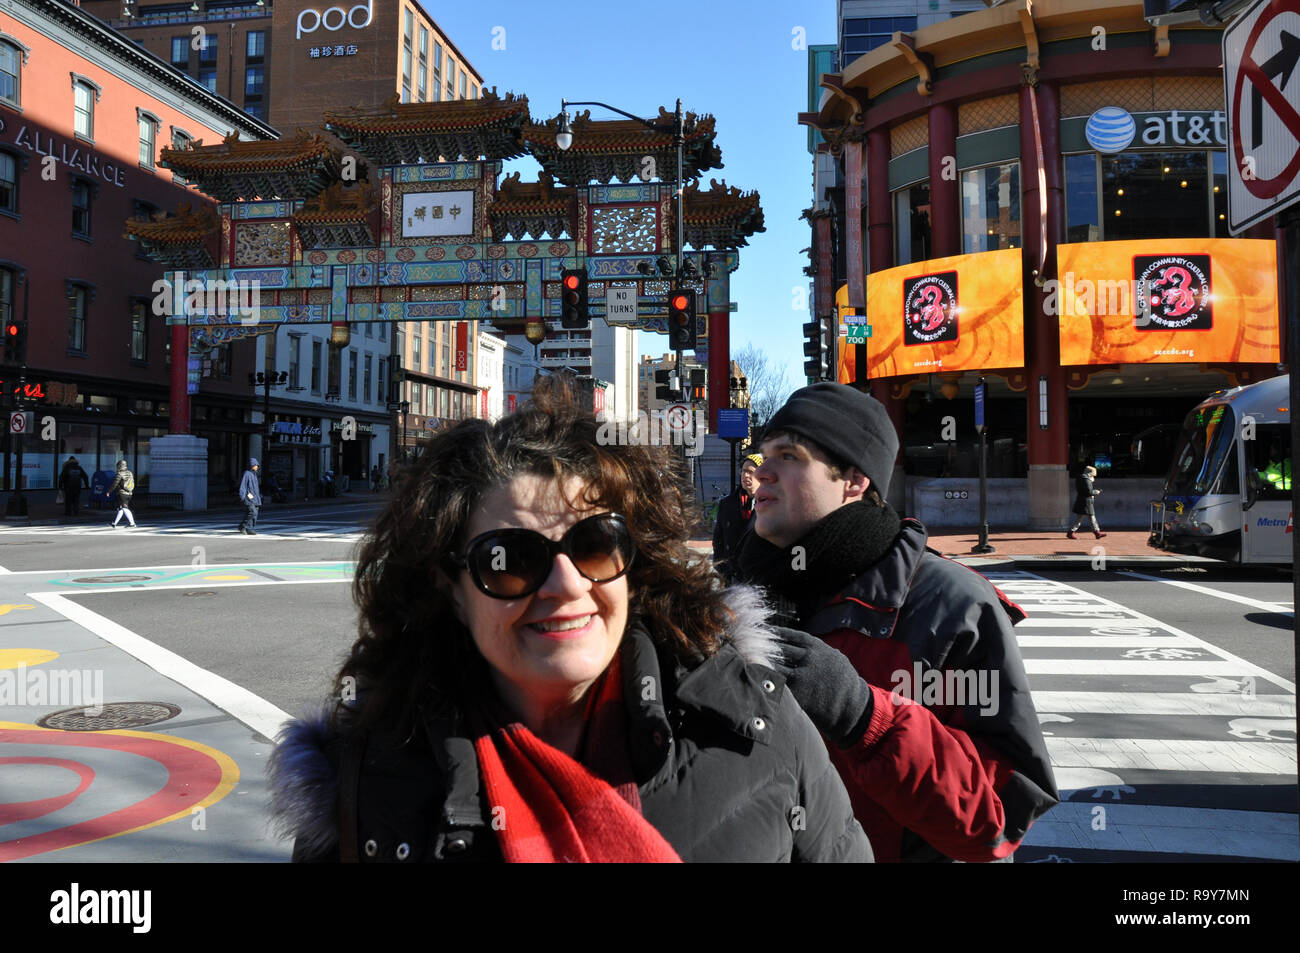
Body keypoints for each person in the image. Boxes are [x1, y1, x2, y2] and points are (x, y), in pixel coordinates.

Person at [268, 377, 872, 863]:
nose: (566, 586)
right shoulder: (366, 779)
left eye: (595, 544)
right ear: (448, 587)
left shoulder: (756, 721)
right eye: (510, 560)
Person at [734, 382, 1058, 863]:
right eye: (763, 457)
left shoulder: (952, 605)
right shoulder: (742, 592)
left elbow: (999, 813)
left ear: (854, 479)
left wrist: (866, 718)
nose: (763, 474)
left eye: (788, 456)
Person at [712, 452, 763, 582]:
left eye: (751, 472)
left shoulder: (771, 504)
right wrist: (721, 566)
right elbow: (718, 538)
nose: (746, 475)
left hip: (759, 576)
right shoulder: (727, 503)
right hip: (732, 575)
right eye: (744, 471)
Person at [1067, 465, 1105, 539]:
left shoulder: (1081, 478)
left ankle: (1097, 532)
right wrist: (1096, 492)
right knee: (1087, 518)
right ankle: (1071, 532)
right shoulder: (1086, 480)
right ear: (1090, 473)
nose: (1093, 477)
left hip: (1082, 501)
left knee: (1086, 518)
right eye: (1093, 475)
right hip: (1086, 502)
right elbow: (1088, 492)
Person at [108, 460, 136, 528]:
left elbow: (115, 484)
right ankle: (114, 523)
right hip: (129, 493)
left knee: (125, 508)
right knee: (121, 508)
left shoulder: (120, 474)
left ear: (119, 466)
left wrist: (109, 491)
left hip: (122, 493)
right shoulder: (130, 473)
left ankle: (132, 523)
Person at [238, 458, 262, 535]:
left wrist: (259, 497)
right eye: (255, 465)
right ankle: (242, 526)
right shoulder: (247, 473)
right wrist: (242, 496)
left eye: (257, 465)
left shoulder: (254, 474)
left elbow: (256, 489)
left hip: (255, 498)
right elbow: (243, 486)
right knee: (252, 512)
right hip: (249, 497)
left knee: (255, 514)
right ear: (252, 465)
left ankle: (250, 528)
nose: (257, 467)